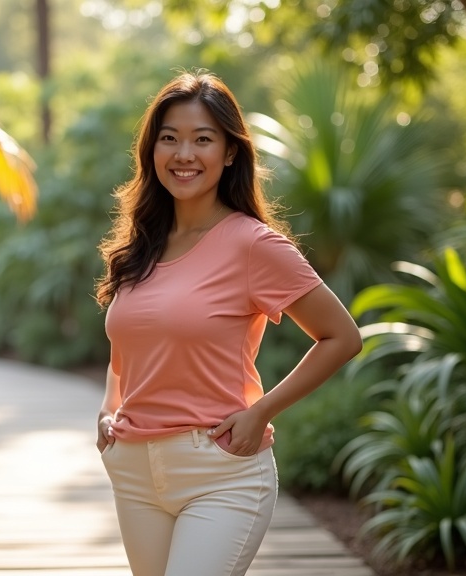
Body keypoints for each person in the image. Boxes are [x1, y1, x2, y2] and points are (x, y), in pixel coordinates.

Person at [94, 70, 363, 576]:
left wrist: (262, 410)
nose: (184, 154)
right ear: (152, 151)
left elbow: (342, 337)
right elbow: (128, 346)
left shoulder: (252, 244)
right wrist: (108, 409)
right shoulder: (141, 246)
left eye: (203, 139)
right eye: (169, 139)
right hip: (133, 470)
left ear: (231, 151)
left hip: (219, 470)